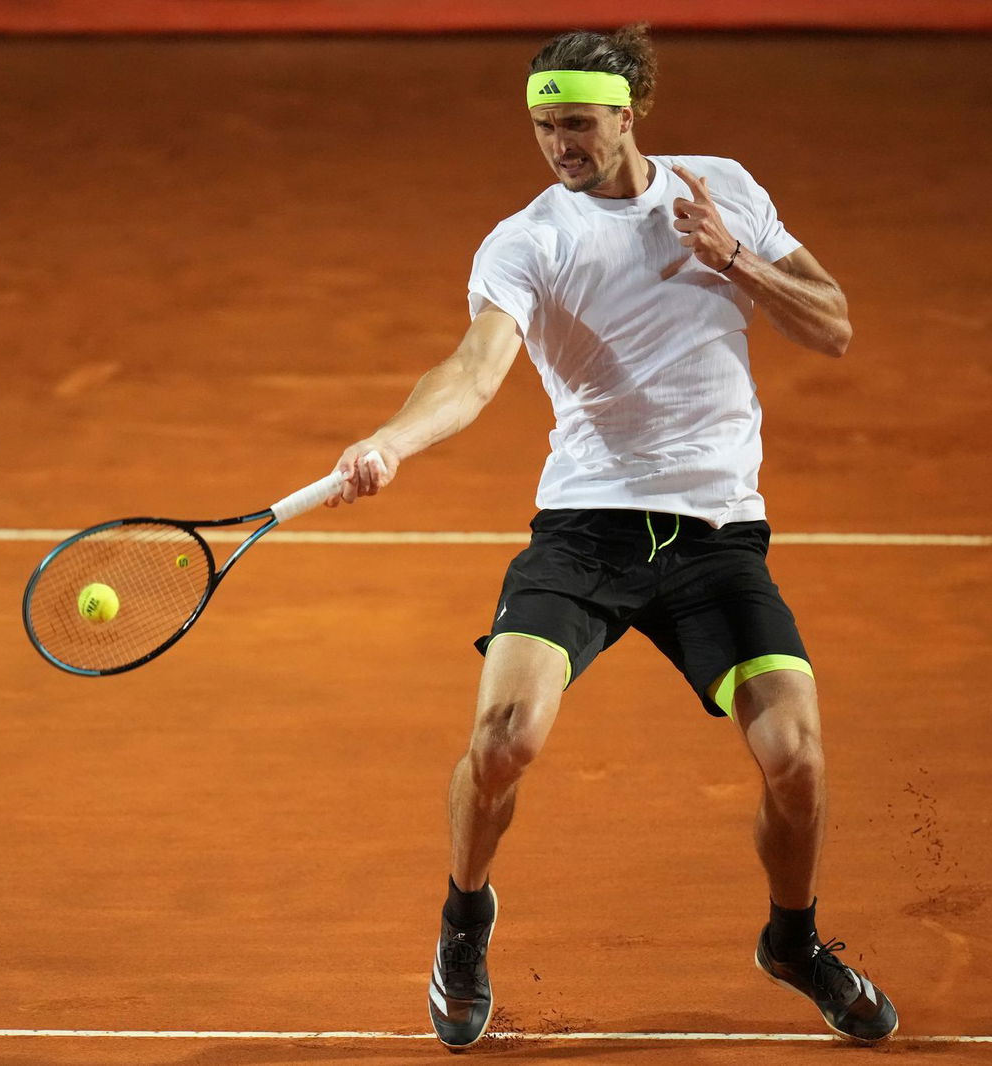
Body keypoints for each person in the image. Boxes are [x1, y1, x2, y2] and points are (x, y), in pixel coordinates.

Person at [325, 23, 897, 1049]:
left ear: (627, 113)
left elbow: (833, 322)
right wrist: (392, 440)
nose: (559, 146)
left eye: (578, 125)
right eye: (544, 127)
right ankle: (465, 918)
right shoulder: (527, 239)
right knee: (506, 739)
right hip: (585, 527)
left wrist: (733, 260)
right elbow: (471, 369)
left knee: (797, 758)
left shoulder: (723, 190)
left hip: (717, 534)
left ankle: (792, 940)